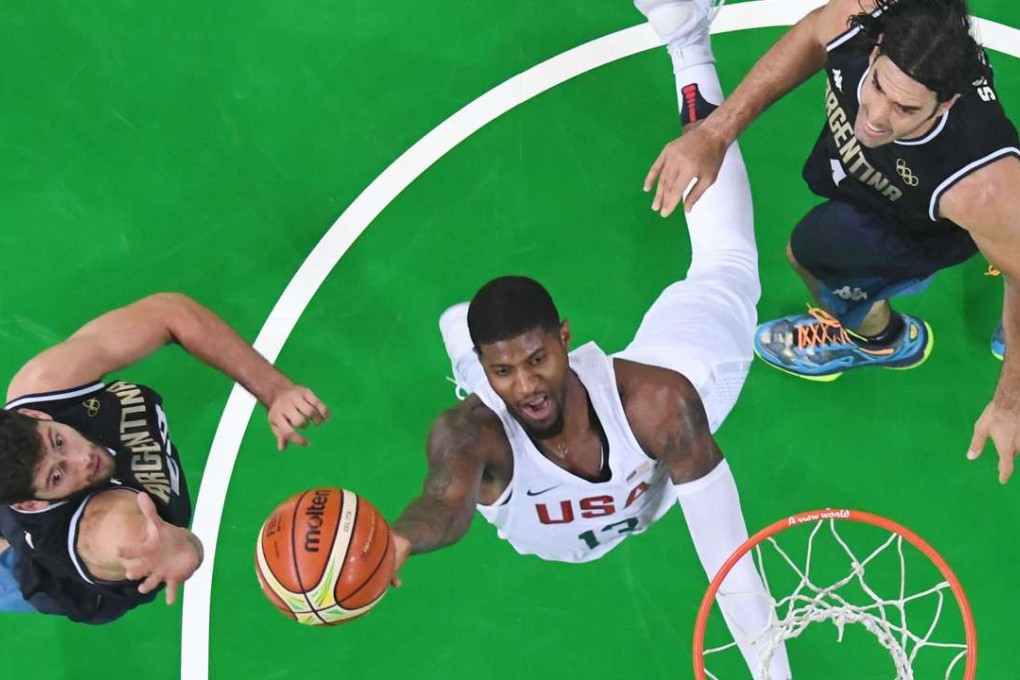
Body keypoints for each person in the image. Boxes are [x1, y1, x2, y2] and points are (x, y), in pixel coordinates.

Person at [389, 3, 792, 677]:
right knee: (475, 360)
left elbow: (730, 561)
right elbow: (444, 505)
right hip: (536, 474)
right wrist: (398, 539)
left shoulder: (664, 402)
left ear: (567, 341)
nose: (528, 384)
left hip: (664, 396)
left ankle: (690, 42)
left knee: (726, 267)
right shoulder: (472, 433)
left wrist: (771, 674)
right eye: (506, 370)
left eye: (539, 359)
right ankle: (464, 337)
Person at [643, 0, 1020, 484]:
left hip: (916, 229)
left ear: (946, 104)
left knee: (808, 255)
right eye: (880, 85)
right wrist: (715, 133)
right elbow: (809, 36)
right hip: (874, 184)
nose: (877, 117)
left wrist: (1009, 402)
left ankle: (880, 340)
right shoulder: (859, 18)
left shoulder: (980, 184)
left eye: (906, 109)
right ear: (877, 48)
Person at [0, 292, 329, 623]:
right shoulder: (99, 528)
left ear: (35, 414)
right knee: (12, 570)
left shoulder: (45, 385)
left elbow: (169, 313)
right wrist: (176, 549)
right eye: (58, 475)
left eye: (59, 441)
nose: (82, 458)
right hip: (50, 576)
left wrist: (275, 390)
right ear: (31, 504)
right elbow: (156, 543)